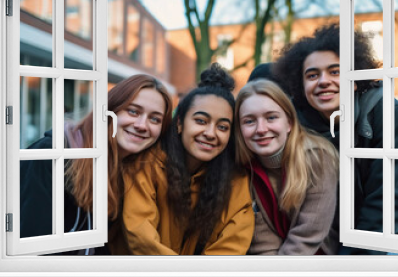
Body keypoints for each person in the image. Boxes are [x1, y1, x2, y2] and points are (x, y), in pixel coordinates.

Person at [272, 23, 398, 254]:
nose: (323, 81)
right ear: (301, 85)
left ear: (355, 79)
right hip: (324, 236)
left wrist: (351, 264)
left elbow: (383, 206)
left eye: (335, 72)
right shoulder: (292, 123)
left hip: (390, 236)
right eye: (312, 75)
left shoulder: (388, 114)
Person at [20, 74, 173, 255]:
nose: (142, 125)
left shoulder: (130, 174)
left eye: (155, 119)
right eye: (133, 111)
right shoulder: (52, 155)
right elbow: (31, 245)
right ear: (109, 110)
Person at [122, 63, 254, 255]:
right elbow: (141, 237)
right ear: (179, 124)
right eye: (201, 121)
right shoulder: (146, 165)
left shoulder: (236, 180)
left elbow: (231, 247)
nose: (211, 133)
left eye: (223, 127)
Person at [235, 79, 339, 255]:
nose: (261, 129)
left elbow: (308, 235)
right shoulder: (243, 168)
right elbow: (262, 241)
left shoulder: (318, 157)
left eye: (271, 117)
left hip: (318, 260)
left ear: (289, 123)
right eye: (249, 121)